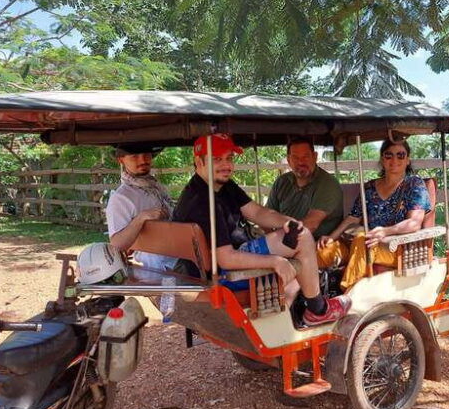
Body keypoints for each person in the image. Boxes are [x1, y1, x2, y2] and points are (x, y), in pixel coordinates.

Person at [172, 133, 351, 326]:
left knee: (299, 235)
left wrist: (287, 221)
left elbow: (257, 212)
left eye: (229, 158)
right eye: (217, 159)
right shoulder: (203, 201)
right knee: (304, 238)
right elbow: (226, 258)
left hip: (228, 258)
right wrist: (275, 261)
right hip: (224, 274)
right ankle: (318, 309)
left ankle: (290, 317)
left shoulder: (220, 185)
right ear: (199, 162)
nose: (226, 165)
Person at [317, 139, 431, 290]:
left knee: (362, 239)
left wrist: (385, 231)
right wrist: (331, 237)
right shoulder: (370, 187)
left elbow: (414, 223)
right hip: (365, 243)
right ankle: (311, 297)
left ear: (408, 160)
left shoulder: (414, 184)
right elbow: (353, 217)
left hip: (396, 247)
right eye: (389, 155)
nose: (394, 160)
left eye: (400, 155)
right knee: (324, 250)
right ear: (382, 159)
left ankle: (347, 293)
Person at [105, 143, 176, 281]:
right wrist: (141, 218)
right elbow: (117, 245)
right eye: (134, 156)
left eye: (146, 154)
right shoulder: (121, 197)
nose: (143, 160)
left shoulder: (156, 187)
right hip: (152, 271)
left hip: (173, 260)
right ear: (121, 160)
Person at [266, 137, 343, 239]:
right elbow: (266, 217)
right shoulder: (281, 182)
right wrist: (270, 238)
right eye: (295, 158)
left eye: (306, 157)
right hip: (283, 239)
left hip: (318, 244)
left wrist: (279, 242)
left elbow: (311, 225)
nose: (301, 162)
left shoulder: (327, 183)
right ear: (288, 160)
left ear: (315, 157)